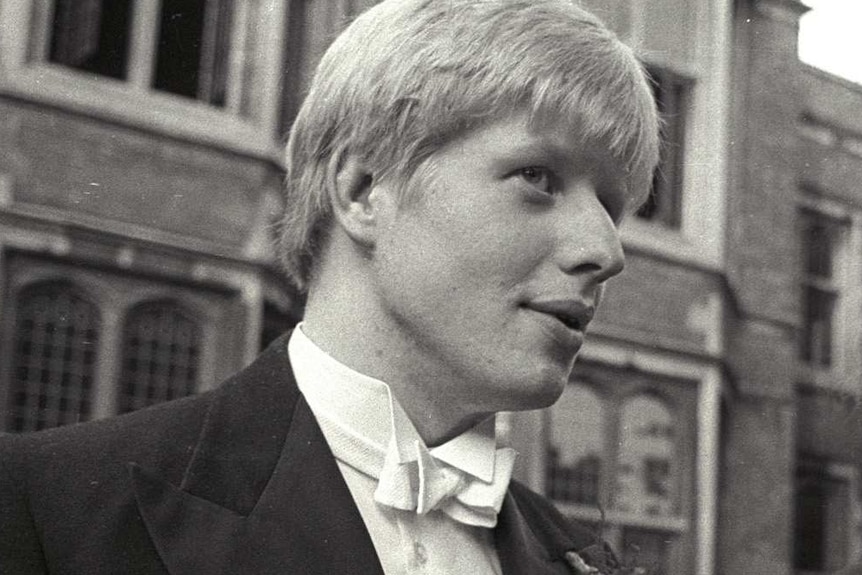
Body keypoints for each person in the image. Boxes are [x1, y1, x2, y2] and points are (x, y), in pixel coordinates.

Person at [0, 0, 659, 573]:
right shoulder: (44, 508)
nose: (606, 251)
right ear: (363, 190)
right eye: (539, 177)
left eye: (611, 204)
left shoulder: (581, 559)